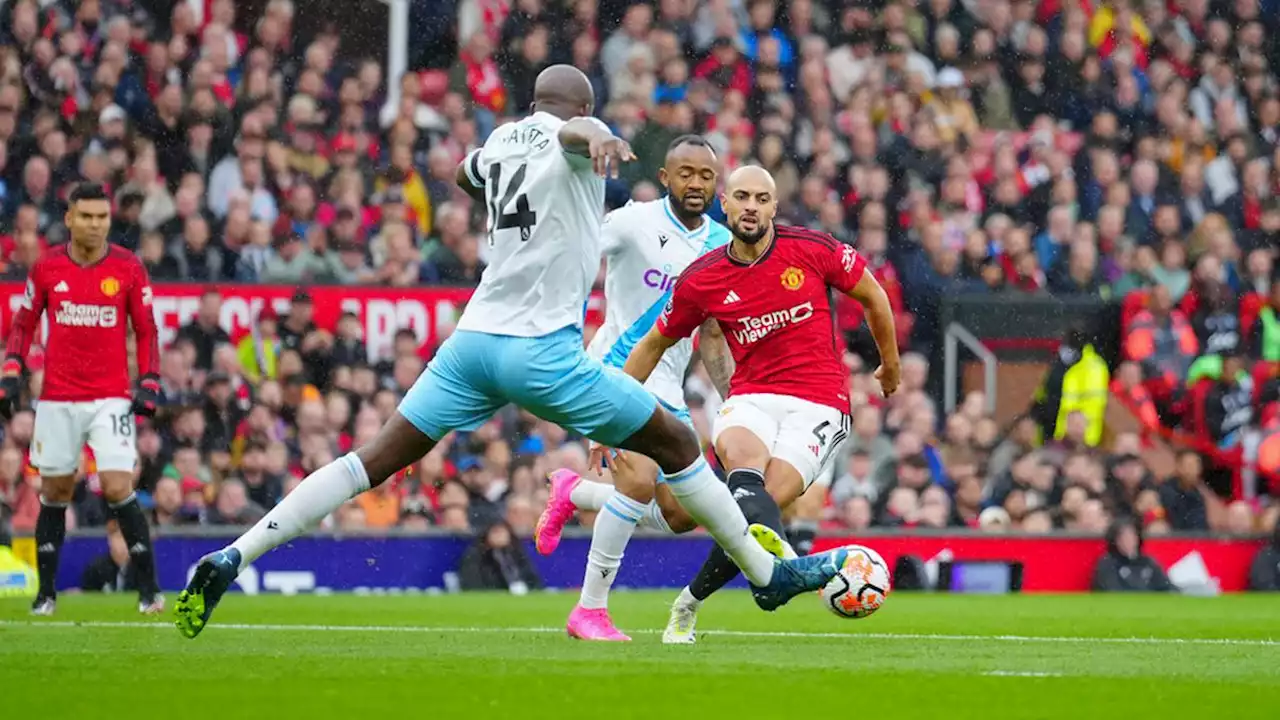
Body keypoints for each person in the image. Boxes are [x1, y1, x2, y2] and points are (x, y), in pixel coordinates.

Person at [174, 65, 850, 640]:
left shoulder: (499, 140)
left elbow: (470, 177)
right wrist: (598, 138)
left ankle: (235, 554)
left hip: (471, 343)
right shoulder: (578, 137)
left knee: (371, 459)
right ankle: (770, 575)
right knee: (675, 442)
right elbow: (574, 136)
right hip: (541, 350)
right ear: (583, 108)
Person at [618, 165, 901, 644]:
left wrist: (889, 365)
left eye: (761, 198)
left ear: (774, 207)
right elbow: (651, 345)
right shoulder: (702, 279)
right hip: (751, 397)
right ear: (724, 204)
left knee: (753, 510)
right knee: (746, 478)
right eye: (741, 197)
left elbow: (874, 296)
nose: (751, 206)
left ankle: (692, 601)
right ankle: (784, 571)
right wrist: (609, 414)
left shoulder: (813, 250)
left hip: (819, 404)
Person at [530, 134, 732, 639]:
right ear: (666, 178)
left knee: (683, 514)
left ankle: (576, 492)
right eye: (686, 173)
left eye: (706, 176)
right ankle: (589, 611)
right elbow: (575, 253)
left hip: (670, 387)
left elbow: (710, 333)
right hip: (616, 370)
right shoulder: (633, 222)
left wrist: (735, 401)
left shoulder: (720, 248)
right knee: (638, 482)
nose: (696, 183)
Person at [0, 182, 164, 616]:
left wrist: (149, 380)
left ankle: (149, 590)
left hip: (110, 398)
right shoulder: (47, 268)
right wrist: (12, 368)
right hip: (57, 397)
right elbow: (24, 321)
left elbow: (146, 330)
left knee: (116, 484)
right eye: (86, 216)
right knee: (54, 489)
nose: (95, 225)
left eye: (102, 217)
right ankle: (46, 595)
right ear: (70, 218)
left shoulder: (128, 267)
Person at [1091, 516, 1174, 592]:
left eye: (1132, 536)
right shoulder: (1107, 564)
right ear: (1115, 541)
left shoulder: (1148, 562)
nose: (1128, 541)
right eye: (1123, 537)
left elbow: (1166, 588)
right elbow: (1113, 593)